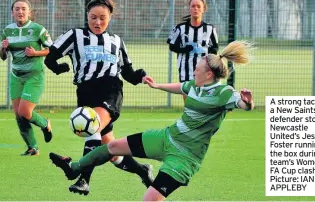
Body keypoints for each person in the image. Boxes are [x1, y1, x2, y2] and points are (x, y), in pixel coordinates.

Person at [49, 41, 255, 201]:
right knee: (112, 146)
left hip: (185, 158)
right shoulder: (195, 85)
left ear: (208, 74)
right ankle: (74, 167)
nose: (194, 71)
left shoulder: (224, 93)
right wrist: (157, 86)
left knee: (150, 200)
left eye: (197, 69)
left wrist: (248, 102)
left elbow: (242, 104)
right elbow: (180, 86)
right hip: (166, 137)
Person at [44, 0, 154, 196]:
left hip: (110, 90)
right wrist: (59, 68)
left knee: (92, 128)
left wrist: (140, 76)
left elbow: (128, 72)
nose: (97, 22)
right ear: (87, 17)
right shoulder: (75, 35)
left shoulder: (117, 42)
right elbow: (50, 58)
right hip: (85, 93)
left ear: (110, 17)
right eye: (93, 17)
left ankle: (82, 178)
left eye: (102, 18)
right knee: (112, 152)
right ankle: (143, 171)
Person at [0, 0, 53, 156]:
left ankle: (45, 124)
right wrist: (3, 49)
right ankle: (32, 147)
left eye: (23, 8)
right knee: (18, 115)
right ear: (12, 13)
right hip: (16, 76)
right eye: (17, 9)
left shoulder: (38, 29)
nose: (20, 11)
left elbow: (53, 49)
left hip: (34, 76)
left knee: (24, 112)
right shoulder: (7, 31)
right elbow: (2, 56)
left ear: (29, 12)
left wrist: (36, 53)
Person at [167, 0, 219, 101]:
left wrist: (205, 52)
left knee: (202, 99)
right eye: (193, 6)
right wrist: (185, 49)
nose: (196, 9)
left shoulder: (210, 29)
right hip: (185, 69)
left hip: (204, 70)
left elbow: (215, 48)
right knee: (188, 100)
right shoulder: (180, 28)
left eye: (198, 6)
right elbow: (172, 46)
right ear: (189, 9)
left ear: (204, 9)